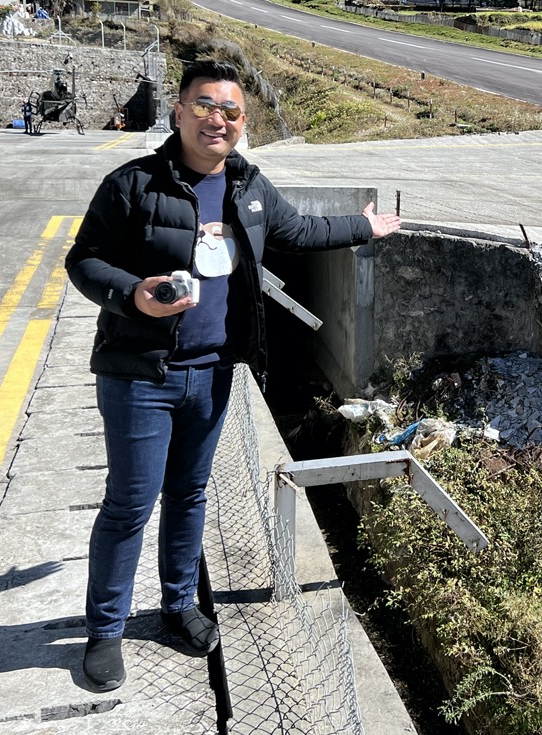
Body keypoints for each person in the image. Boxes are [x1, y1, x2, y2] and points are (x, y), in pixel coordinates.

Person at [64, 59, 400, 692]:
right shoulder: (131, 184)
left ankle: (178, 606)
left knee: (190, 495)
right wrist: (135, 294)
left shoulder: (248, 186)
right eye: (205, 106)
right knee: (130, 504)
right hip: (142, 375)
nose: (217, 120)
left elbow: (298, 229)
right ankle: (105, 631)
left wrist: (365, 225)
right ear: (179, 112)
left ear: (242, 124)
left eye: (231, 112)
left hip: (214, 374)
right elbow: (83, 261)